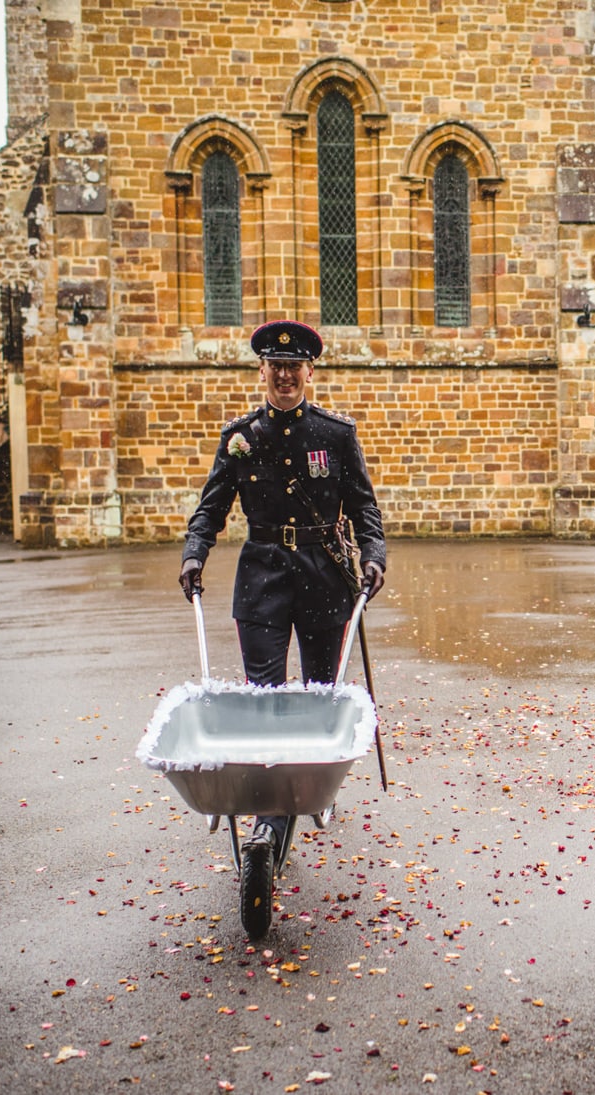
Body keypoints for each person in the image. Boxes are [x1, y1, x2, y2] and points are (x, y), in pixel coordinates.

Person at [178, 319, 388, 858]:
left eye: (294, 367)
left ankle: (313, 791)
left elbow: (363, 505)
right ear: (263, 370)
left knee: (320, 699)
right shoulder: (240, 437)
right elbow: (212, 507)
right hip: (262, 579)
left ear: (309, 372)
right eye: (276, 366)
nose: (285, 375)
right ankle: (270, 824)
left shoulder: (335, 434)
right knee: (265, 703)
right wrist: (193, 554)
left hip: (323, 577)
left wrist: (373, 556)